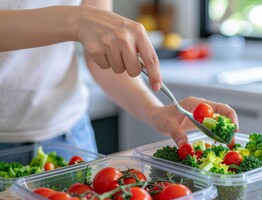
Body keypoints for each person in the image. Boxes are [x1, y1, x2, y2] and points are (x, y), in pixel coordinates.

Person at [0, 0, 238, 153]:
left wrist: (154, 111)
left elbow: (101, 55)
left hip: (70, 138)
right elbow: (82, 23)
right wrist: (75, 19)